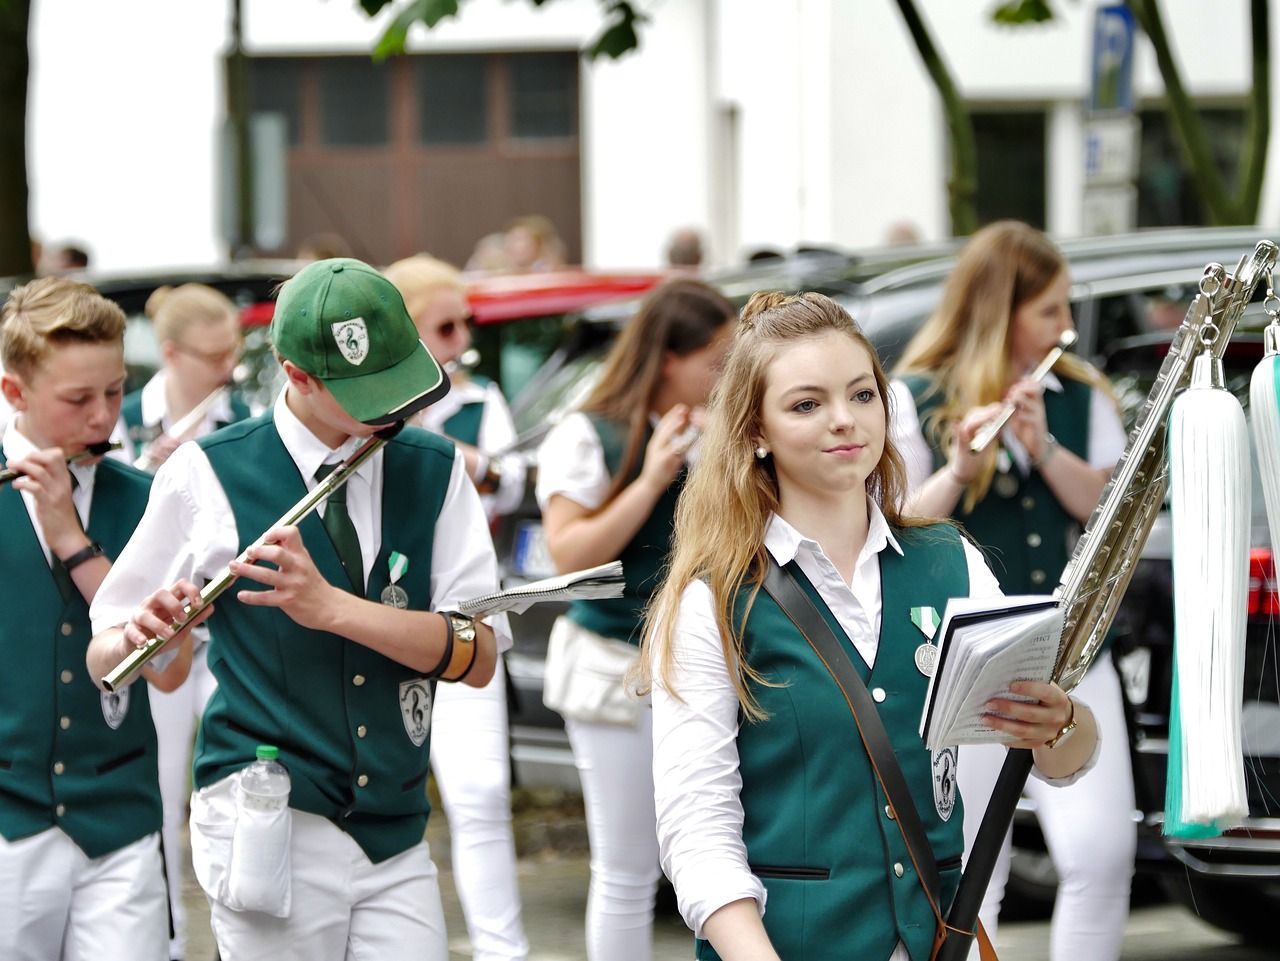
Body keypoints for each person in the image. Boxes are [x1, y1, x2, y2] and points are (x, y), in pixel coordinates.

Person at [642, 290, 1098, 961]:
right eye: (806, 404)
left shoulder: (951, 561)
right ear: (755, 431)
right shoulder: (712, 600)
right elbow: (697, 830)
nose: (843, 420)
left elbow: (1065, 760)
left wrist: (1059, 722)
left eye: (862, 394)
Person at [87, 257, 508, 961]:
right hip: (268, 814)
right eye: (367, 393)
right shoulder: (206, 469)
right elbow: (108, 656)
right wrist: (151, 630)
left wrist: (334, 608)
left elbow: (479, 654)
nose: (394, 411)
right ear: (296, 372)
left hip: (394, 825)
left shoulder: (434, 467)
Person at [890, 221, 1134, 961]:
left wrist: (1043, 446)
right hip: (963, 658)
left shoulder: (1080, 394)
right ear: (999, 309)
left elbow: (1106, 510)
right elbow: (897, 524)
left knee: (1100, 855)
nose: (1065, 327)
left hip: (1069, 649)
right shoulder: (914, 395)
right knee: (973, 874)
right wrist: (963, 467)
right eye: (1049, 310)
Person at [535, 277, 736, 961]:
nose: (724, 377)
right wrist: (651, 477)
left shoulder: (717, 432)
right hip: (613, 665)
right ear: (666, 358)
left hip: (697, 663)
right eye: (715, 361)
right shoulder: (589, 432)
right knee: (628, 865)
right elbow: (569, 552)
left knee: (711, 849)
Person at [0, 276, 187, 961]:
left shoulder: (143, 498)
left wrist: (72, 538)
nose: (104, 416)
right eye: (78, 398)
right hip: (7, 819)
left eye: (114, 390)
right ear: (14, 392)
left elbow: (171, 671)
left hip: (121, 820)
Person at [384, 253, 529, 961]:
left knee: (480, 794)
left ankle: (503, 949)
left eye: (465, 321)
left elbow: (509, 480)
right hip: (382, 616)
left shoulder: (480, 399)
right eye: (446, 323)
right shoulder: (370, 405)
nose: (461, 334)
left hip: (468, 607)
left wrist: (454, 450)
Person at [122, 282, 252, 961]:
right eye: (212, 354)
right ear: (170, 353)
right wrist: (148, 472)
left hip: (230, 625)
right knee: (164, 788)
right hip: (164, 628)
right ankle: (167, 941)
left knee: (235, 781)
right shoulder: (124, 419)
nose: (228, 367)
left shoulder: (244, 416)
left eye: (234, 349)